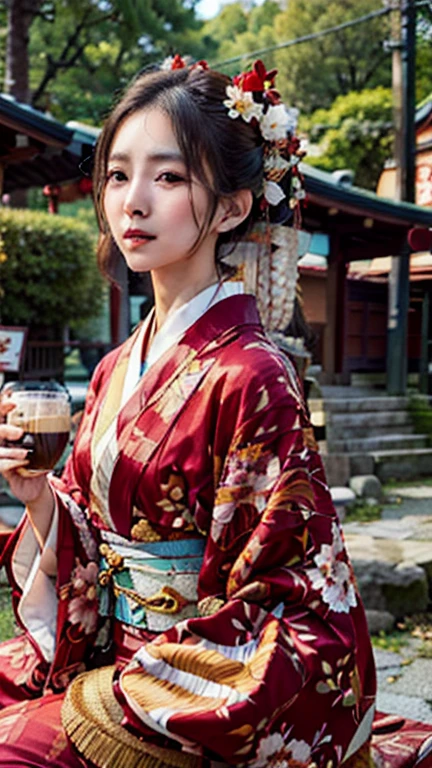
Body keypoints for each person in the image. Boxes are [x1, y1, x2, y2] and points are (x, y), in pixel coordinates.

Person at [0, 56, 376, 768]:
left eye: (167, 177)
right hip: (113, 649)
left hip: (193, 676)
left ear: (233, 206)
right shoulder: (116, 365)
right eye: (117, 174)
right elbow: (93, 528)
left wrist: (154, 672)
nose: (132, 201)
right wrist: (40, 502)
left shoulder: (254, 374)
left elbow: (288, 592)